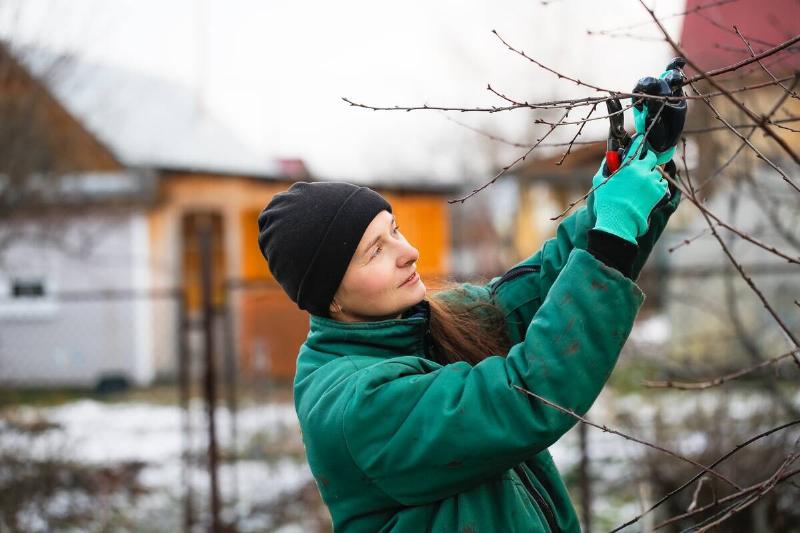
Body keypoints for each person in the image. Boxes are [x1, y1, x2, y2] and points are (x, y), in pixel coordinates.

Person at [257, 75, 684, 532]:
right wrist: (612, 234)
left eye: (394, 230)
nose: (408, 251)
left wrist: (634, 174)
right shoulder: (357, 405)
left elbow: (540, 288)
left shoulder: (422, 326)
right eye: (375, 251)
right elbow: (526, 396)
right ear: (332, 299)